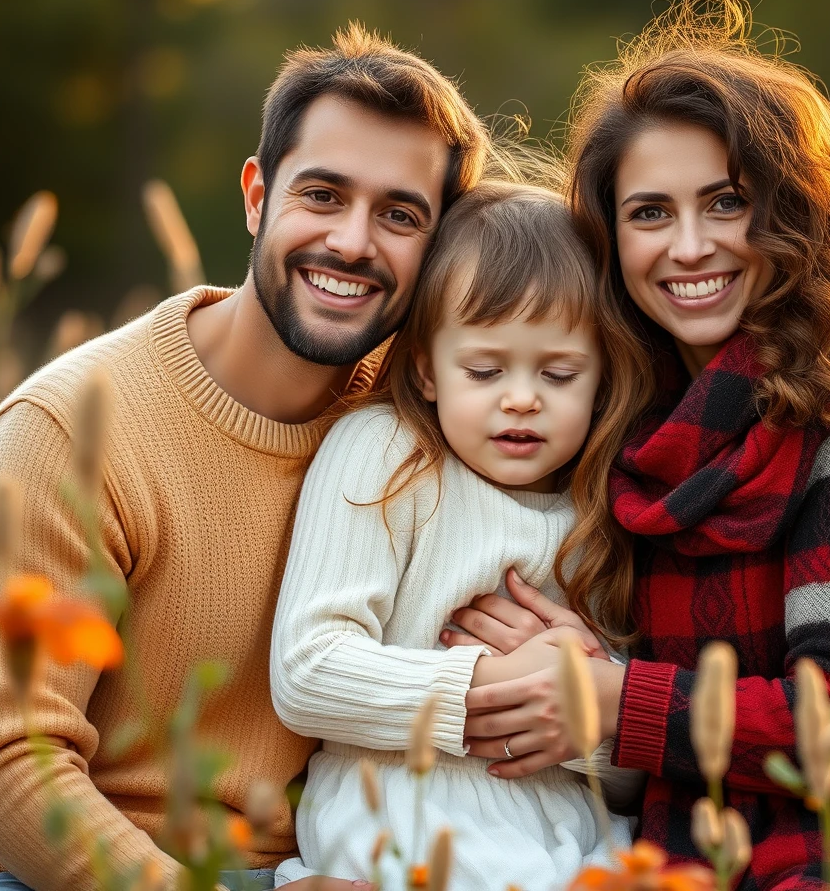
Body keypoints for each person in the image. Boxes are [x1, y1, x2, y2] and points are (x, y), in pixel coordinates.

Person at [451, 0, 830, 890]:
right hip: (663, 865)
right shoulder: (630, 418)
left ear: (791, 212)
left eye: (726, 203)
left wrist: (610, 699)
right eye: (650, 213)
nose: (689, 246)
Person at [0, 24, 488, 891]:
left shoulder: (429, 419)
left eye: (400, 215)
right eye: (322, 195)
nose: (353, 242)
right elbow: (8, 766)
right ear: (256, 195)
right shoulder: (70, 427)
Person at [269, 181, 651, 890]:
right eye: (484, 369)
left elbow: (631, 777)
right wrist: (496, 686)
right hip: (404, 817)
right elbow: (307, 670)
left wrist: (596, 702)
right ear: (428, 370)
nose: (521, 397)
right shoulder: (388, 455)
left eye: (560, 373)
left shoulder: (603, 508)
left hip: (576, 836)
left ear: (601, 382)